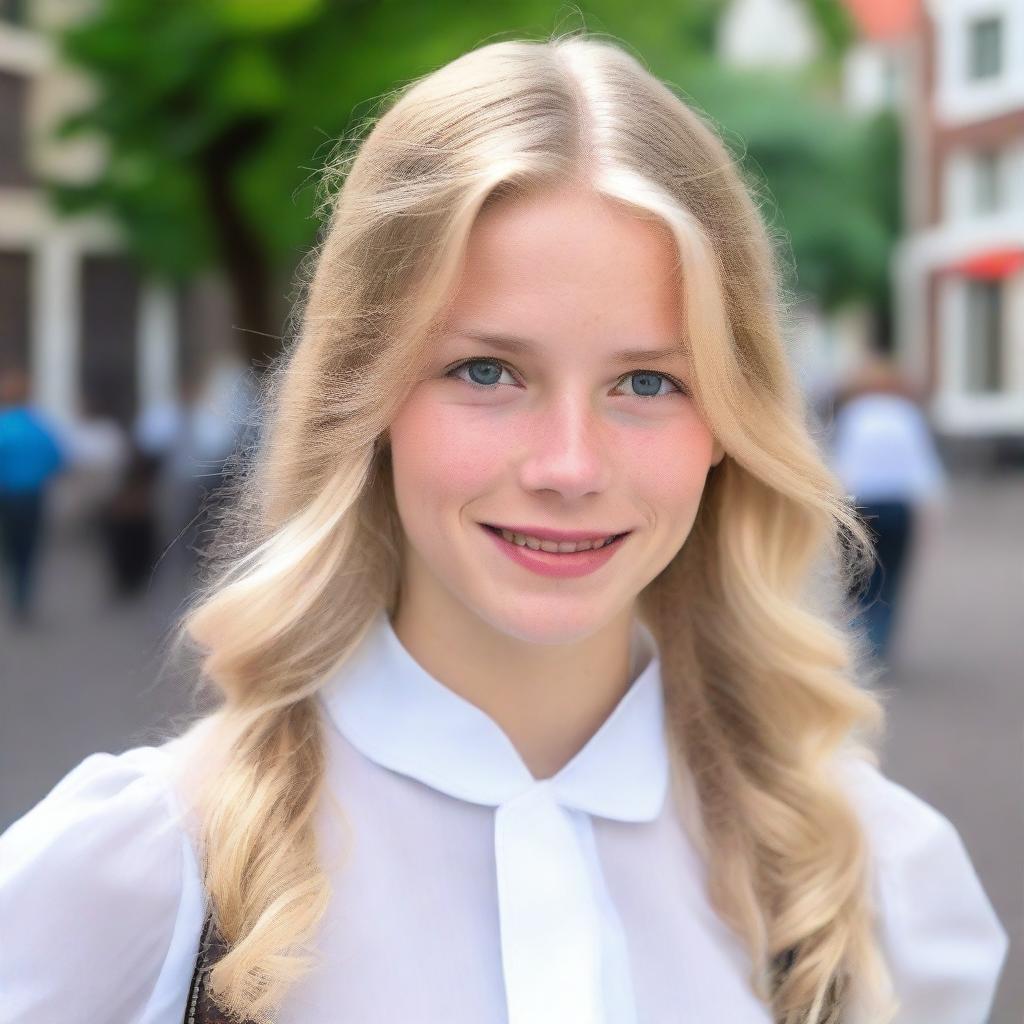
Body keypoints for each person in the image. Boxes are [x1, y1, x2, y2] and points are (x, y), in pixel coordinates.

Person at [0, 34, 1007, 1024]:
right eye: (486, 371)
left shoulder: (874, 884)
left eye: (647, 381)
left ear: (729, 428)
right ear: (368, 395)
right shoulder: (135, 879)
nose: (567, 466)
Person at [830, 354, 948, 662]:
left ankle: (858, 640)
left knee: (858, 576)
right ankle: (878, 644)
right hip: (899, 505)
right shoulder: (907, 415)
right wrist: (932, 515)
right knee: (891, 577)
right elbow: (923, 470)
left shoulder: (854, 413)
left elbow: (843, 466)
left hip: (861, 505)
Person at [0, 366, 66, 622]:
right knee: (29, 549)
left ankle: (16, 595)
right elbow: (58, 459)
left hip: (6, 497)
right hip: (33, 496)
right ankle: (23, 597)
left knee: (11, 548)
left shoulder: (4, 425)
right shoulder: (40, 426)